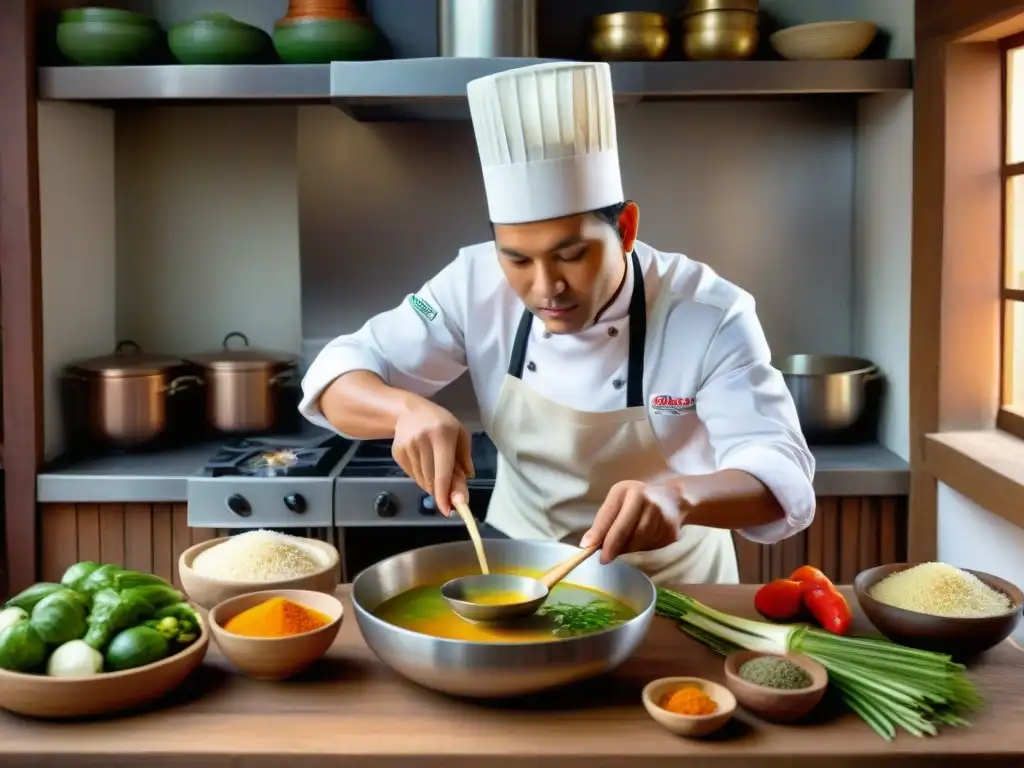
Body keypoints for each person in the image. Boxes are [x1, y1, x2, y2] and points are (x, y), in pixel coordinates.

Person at [299, 61, 815, 586]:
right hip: (522, 574)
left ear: (627, 229)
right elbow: (339, 371)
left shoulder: (707, 313)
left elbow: (782, 473)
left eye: (571, 255)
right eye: (518, 260)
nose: (545, 288)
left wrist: (679, 497)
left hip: (676, 587)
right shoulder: (472, 281)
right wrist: (402, 409)